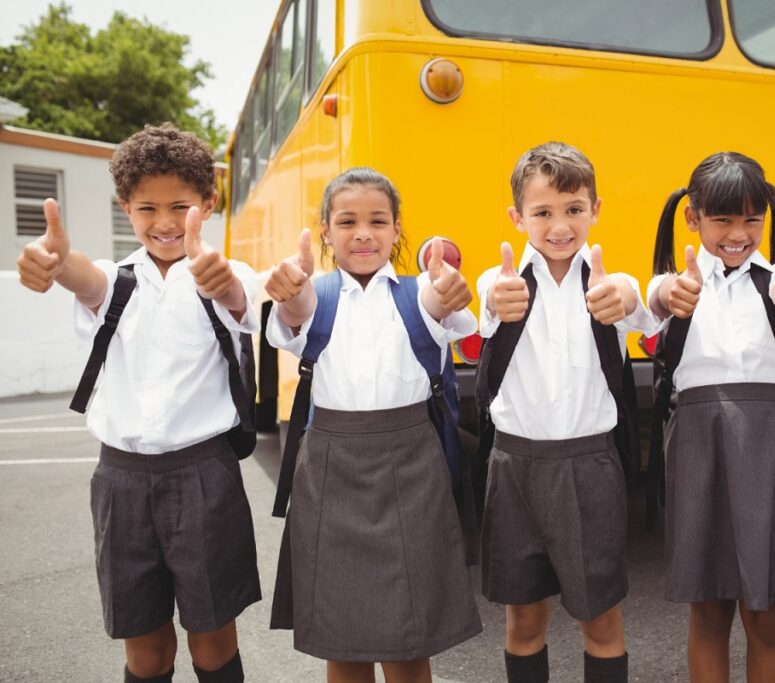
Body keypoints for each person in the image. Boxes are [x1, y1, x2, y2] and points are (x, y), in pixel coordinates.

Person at [16, 123, 261, 683]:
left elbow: (237, 297)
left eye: (181, 205)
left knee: (213, 643)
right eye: (147, 208)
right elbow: (83, 277)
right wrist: (54, 261)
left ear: (209, 201)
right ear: (125, 207)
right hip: (121, 481)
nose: (166, 223)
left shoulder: (224, 272)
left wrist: (219, 282)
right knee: (145, 651)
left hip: (203, 474)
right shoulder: (117, 280)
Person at [265, 166, 482, 683]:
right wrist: (288, 292)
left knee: (410, 643)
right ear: (325, 230)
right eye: (347, 221)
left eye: (377, 221)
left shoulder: (418, 292)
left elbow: (439, 301)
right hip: (331, 470)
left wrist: (449, 289)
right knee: (343, 645)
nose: (363, 232)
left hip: (412, 468)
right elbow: (296, 312)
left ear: (397, 228)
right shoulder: (314, 293)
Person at [477, 141, 655, 683]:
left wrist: (620, 296)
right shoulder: (500, 282)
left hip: (589, 466)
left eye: (574, 209)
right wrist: (497, 299)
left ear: (595, 210)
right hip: (515, 469)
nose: (560, 225)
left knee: (599, 618)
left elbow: (632, 301)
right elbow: (489, 297)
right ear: (518, 218)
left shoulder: (608, 284)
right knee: (524, 616)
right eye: (543, 212)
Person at [646, 151, 775, 683]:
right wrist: (665, 290)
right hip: (699, 445)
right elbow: (650, 297)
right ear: (692, 217)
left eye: (752, 219)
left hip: (772, 445)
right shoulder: (676, 286)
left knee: (768, 614)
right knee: (708, 609)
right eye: (722, 219)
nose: (738, 233)